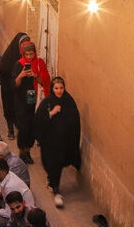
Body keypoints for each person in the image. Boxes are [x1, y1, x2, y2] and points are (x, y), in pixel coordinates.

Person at [34, 77, 81, 208]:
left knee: (58, 164)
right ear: (52, 89)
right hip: (49, 142)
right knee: (49, 164)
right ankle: (51, 180)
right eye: (56, 88)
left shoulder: (69, 102)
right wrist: (51, 113)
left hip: (63, 143)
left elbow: (75, 121)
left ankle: (56, 191)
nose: (59, 91)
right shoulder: (47, 102)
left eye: (61, 88)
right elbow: (38, 119)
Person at [11, 41, 50, 164]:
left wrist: (35, 75)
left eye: (31, 54)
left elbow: (45, 81)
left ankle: (27, 151)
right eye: (26, 54)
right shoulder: (18, 65)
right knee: (23, 128)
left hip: (35, 102)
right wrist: (21, 75)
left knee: (32, 128)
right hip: (22, 103)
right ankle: (22, 152)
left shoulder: (39, 64)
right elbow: (14, 85)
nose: (29, 57)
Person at [0, 159, 34, 227]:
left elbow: (10, 213)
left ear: (3, 173)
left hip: (17, 213)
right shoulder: (8, 174)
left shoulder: (10, 187)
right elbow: (1, 189)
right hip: (7, 204)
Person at [0, 33, 30, 140]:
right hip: (8, 89)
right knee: (9, 108)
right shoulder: (8, 57)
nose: (24, 45)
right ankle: (10, 129)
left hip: (20, 90)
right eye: (22, 43)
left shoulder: (27, 57)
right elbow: (3, 70)